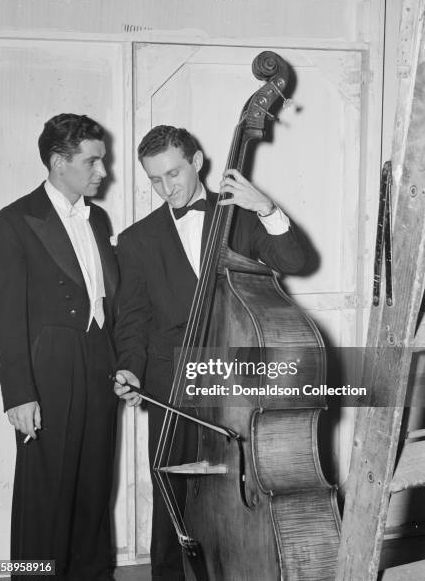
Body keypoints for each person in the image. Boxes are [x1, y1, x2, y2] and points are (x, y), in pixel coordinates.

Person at [114, 125, 305, 580]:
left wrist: (266, 207)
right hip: (170, 381)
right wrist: (129, 368)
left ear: (198, 161)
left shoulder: (239, 217)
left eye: (174, 173)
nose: (167, 188)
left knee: (239, 486)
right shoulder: (137, 240)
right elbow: (133, 318)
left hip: (235, 379)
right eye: (155, 180)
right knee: (173, 499)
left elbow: (296, 262)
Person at [0, 114, 119, 580]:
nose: (104, 171)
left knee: (94, 487)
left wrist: (121, 365)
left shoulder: (98, 219)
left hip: (99, 365)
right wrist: (19, 394)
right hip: (48, 373)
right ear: (59, 162)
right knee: (45, 494)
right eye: (93, 161)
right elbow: (3, 318)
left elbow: (107, 299)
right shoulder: (12, 223)